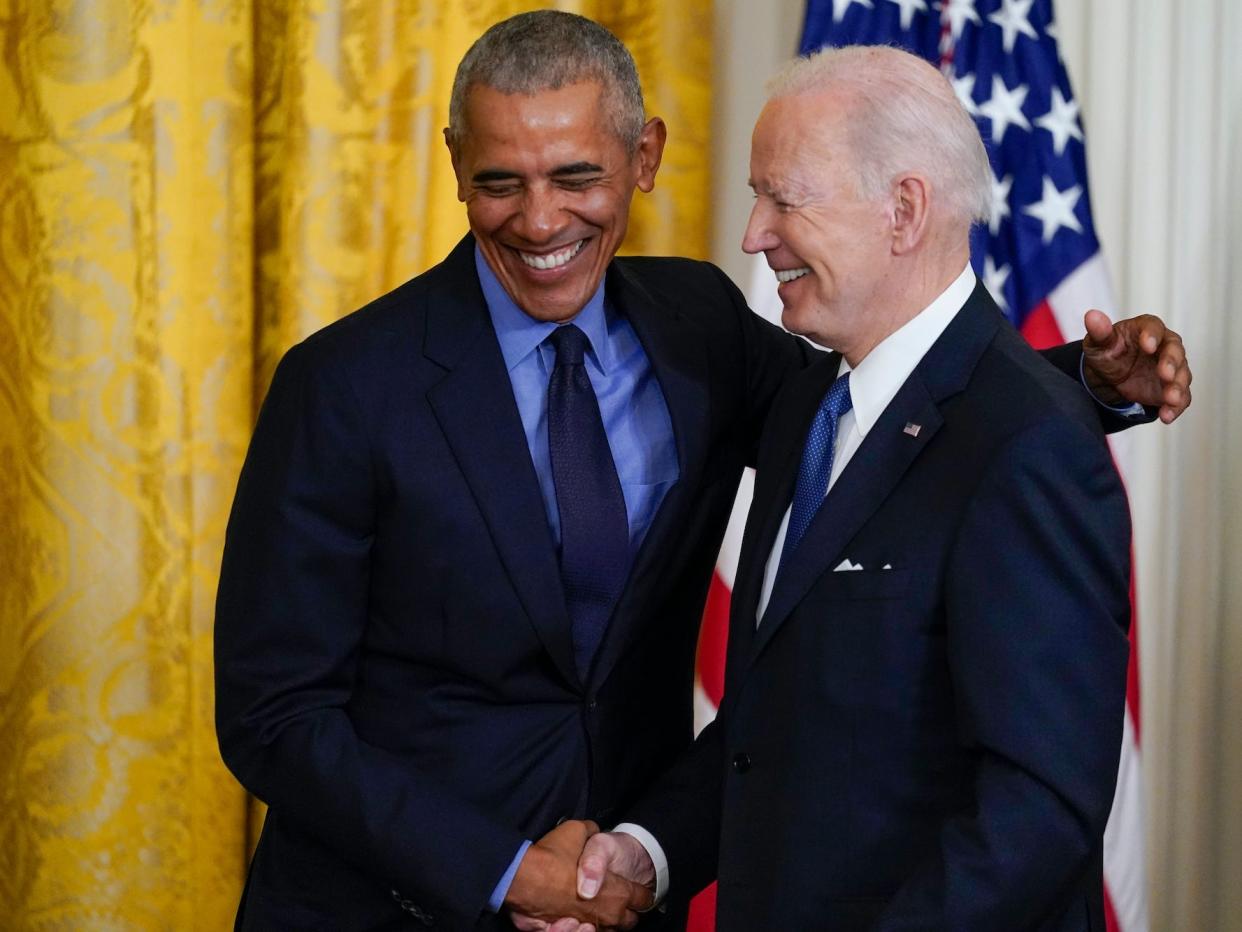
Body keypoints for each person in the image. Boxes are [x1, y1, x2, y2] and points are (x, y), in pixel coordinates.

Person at [214, 14, 1189, 932]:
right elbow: (273, 712)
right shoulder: (342, 385)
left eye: (577, 174)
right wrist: (505, 865)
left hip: (637, 896)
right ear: (458, 168)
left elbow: (910, 411)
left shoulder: (703, 325)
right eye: (501, 181)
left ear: (643, 160)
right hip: (390, 904)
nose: (539, 217)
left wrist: (1086, 387)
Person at [564, 45, 1142, 932]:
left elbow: (1036, 815)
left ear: (903, 209)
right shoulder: (811, 404)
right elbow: (781, 717)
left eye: (782, 198)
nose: (754, 234)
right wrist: (651, 845)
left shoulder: (1027, 444)